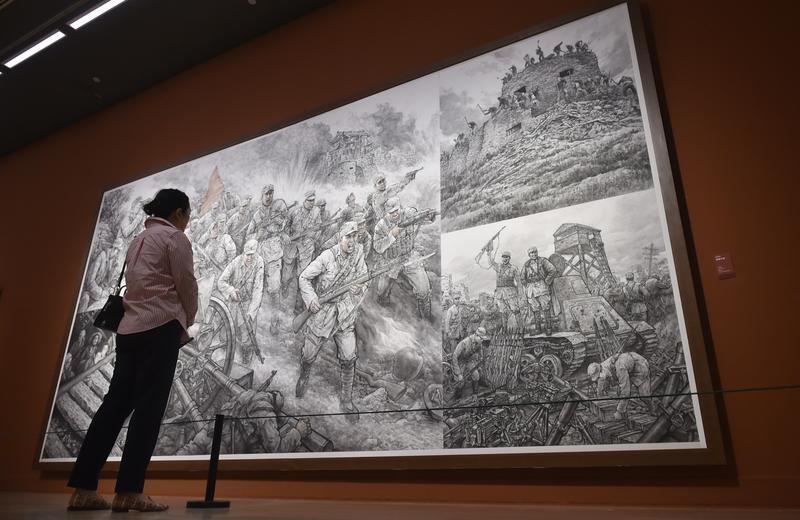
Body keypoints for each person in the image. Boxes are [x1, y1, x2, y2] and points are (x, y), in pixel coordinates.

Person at [67, 189, 197, 513]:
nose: (188, 220)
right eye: (188, 214)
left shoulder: (138, 240)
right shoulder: (175, 238)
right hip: (160, 328)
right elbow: (186, 282)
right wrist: (191, 316)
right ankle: (129, 491)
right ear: (178, 213)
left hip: (129, 331)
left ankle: (83, 489)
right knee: (148, 411)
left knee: (113, 407)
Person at [295, 221, 368, 421]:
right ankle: (304, 375)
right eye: (348, 236)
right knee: (309, 354)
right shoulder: (327, 256)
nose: (352, 241)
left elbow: (365, 279)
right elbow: (304, 278)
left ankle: (346, 399)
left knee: (349, 357)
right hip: (323, 312)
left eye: (355, 236)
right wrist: (311, 300)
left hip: (344, 313)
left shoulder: (358, 255)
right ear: (340, 238)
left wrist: (359, 289)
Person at [588, 351, 653, 420]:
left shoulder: (619, 368)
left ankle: (652, 409)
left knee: (644, 396)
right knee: (619, 392)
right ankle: (624, 413)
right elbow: (601, 381)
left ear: (601, 371)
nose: (600, 378)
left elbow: (625, 392)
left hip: (640, 367)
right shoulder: (603, 367)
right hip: (628, 368)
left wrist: (619, 411)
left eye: (599, 376)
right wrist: (599, 397)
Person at [520, 246, 558, 333]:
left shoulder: (543, 261)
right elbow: (522, 277)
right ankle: (538, 329)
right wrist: (526, 285)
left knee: (545, 307)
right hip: (531, 289)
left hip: (541, 286)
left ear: (537, 252)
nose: (533, 254)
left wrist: (547, 281)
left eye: (535, 252)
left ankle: (548, 328)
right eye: (531, 253)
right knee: (535, 308)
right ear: (529, 255)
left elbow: (553, 270)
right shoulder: (526, 264)